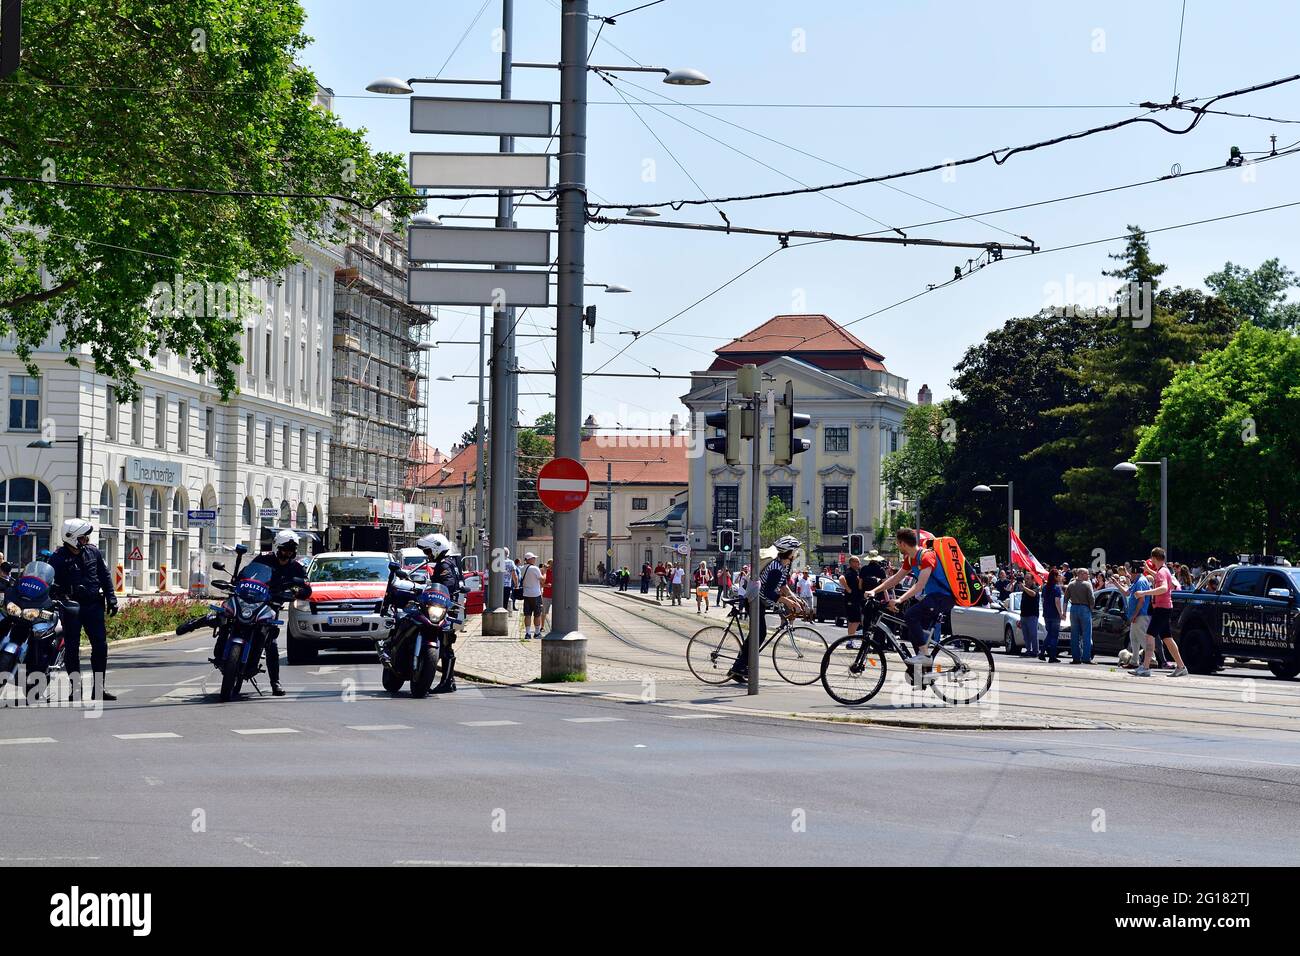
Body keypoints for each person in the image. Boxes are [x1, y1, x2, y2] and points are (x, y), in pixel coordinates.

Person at [48, 518, 119, 702]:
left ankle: (99, 689)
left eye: (86, 538)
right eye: (82, 538)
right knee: (72, 648)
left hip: (94, 605)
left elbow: (104, 575)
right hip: (71, 607)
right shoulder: (57, 557)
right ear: (71, 537)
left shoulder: (93, 552)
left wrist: (111, 597)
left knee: (101, 647)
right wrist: (58, 595)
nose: (85, 541)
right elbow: (50, 582)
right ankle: (75, 689)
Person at [237, 529, 310, 696]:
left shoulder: (296, 568)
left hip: (271, 606)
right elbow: (245, 574)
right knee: (229, 617)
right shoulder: (263, 559)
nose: (287, 553)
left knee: (271, 643)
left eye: (291, 550)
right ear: (278, 547)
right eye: (285, 549)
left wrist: (294, 592)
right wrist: (238, 581)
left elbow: (306, 589)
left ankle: (275, 682)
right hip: (252, 601)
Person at [866, 528, 954, 666]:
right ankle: (922, 674)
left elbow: (919, 585)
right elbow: (895, 578)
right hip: (933, 597)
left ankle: (925, 656)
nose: (897, 546)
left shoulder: (926, 556)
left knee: (910, 615)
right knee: (913, 632)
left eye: (897, 543)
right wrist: (874, 591)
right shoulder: (911, 559)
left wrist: (900, 600)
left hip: (943, 597)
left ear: (903, 544)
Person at [728, 536, 805, 681]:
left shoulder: (784, 565)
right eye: (794, 551)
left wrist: (794, 598)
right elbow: (769, 592)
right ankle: (738, 666)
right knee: (759, 633)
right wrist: (787, 601)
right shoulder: (775, 568)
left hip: (761, 601)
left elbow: (783, 585)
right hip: (755, 600)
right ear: (787, 552)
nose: (795, 553)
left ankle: (738, 668)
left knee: (756, 635)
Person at [413, 532, 464, 693]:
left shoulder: (444, 564)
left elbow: (447, 585)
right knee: (446, 645)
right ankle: (449, 681)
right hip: (451, 608)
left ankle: (448, 682)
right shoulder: (452, 561)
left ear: (437, 548)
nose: (427, 555)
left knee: (445, 646)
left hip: (444, 609)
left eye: (428, 551)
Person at [1131, 547, 1188, 678]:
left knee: (1149, 635)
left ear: (1154, 558)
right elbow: (1160, 578)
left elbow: (1163, 588)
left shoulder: (1162, 572)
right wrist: (1148, 570)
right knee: (1167, 638)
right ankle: (1181, 666)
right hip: (1165, 608)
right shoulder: (1164, 570)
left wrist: (1144, 593)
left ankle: (1145, 667)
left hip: (1161, 608)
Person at [1123, 560, 1152, 669]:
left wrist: (1134, 615)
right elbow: (1127, 592)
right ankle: (1134, 661)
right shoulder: (1137, 580)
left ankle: (1152, 659)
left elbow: (1141, 600)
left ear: (1135, 570)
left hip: (1140, 615)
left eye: (1130, 570)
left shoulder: (1140, 581)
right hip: (1137, 615)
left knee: (1141, 638)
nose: (1129, 572)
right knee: (1134, 638)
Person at [1065, 568, 1095, 664]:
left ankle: (1076, 658)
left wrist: (1064, 613)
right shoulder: (1087, 584)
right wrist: (1090, 609)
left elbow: (1065, 599)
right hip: (1084, 609)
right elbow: (1092, 599)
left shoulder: (1071, 584)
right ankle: (1086, 658)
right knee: (1086, 635)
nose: (1088, 576)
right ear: (1081, 574)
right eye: (1087, 574)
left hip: (1073, 609)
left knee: (1074, 635)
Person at [840, 555, 867, 641]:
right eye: (857, 562)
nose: (858, 563)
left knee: (853, 621)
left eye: (859, 562)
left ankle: (850, 640)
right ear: (852, 563)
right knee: (855, 621)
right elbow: (841, 578)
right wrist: (848, 589)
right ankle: (850, 640)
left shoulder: (856, 572)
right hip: (851, 600)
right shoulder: (850, 572)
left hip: (856, 599)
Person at [518, 552, 545, 641]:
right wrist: (544, 573)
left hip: (526, 594)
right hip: (536, 594)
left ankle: (527, 633)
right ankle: (537, 633)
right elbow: (542, 580)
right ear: (529, 559)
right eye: (533, 558)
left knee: (527, 614)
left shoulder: (522, 568)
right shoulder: (535, 568)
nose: (535, 559)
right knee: (537, 614)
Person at [1041, 568, 1063, 662]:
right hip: (1054, 614)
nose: (1060, 577)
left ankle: (1042, 653)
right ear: (1055, 577)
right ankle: (1052, 656)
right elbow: (1057, 601)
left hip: (1046, 614)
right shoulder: (1057, 588)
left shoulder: (1045, 587)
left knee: (1049, 634)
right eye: (1058, 575)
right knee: (1054, 636)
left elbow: (1042, 600)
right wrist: (1061, 613)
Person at [1019, 575, 1041, 658]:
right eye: (1025, 579)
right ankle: (1028, 650)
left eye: (1028, 579)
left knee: (1033, 634)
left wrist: (1024, 588)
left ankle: (1035, 651)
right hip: (1024, 615)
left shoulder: (1035, 588)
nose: (1026, 580)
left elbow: (1033, 594)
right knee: (1026, 635)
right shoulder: (1025, 589)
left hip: (1032, 615)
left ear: (1033, 580)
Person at [540, 559, 554, 632]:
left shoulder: (557, 571)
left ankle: (555, 627)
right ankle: (542, 626)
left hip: (555, 595)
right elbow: (541, 584)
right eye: (550, 565)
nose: (551, 566)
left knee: (555, 613)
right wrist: (546, 585)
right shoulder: (544, 572)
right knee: (544, 612)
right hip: (546, 595)